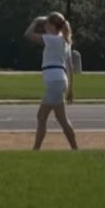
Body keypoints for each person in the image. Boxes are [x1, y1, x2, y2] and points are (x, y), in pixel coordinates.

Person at [24, 13, 78, 150]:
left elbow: (28, 35)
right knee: (62, 119)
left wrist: (36, 20)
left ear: (53, 26)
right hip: (60, 80)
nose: (45, 26)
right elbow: (70, 67)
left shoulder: (52, 39)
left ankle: (36, 149)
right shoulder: (65, 41)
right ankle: (75, 148)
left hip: (54, 81)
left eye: (47, 23)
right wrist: (70, 88)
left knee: (42, 116)